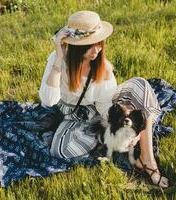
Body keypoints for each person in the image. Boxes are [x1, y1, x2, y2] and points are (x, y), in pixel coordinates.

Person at [39, 10, 169, 188]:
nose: (98, 49)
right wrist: (59, 59)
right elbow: (48, 101)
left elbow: (105, 107)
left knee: (140, 86)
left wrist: (126, 127)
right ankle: (103, 138)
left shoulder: (103, 67)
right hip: (73, 117)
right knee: (60, 150)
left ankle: (147, 159)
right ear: (77, 47)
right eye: (91, 45)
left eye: (99, 43)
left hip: (98, 112)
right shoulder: (58, 60)